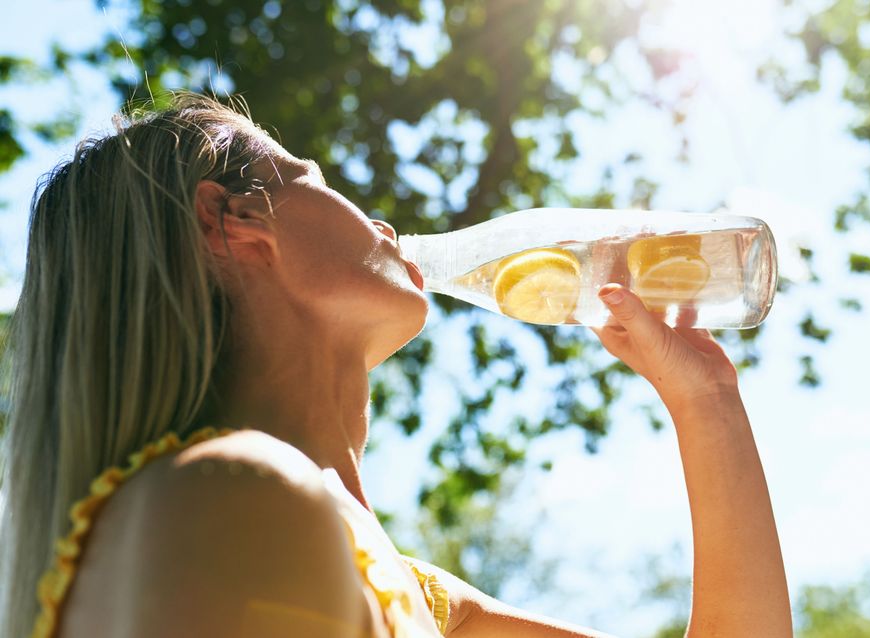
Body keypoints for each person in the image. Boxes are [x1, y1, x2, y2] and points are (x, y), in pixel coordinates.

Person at [0, 94, 791, 637]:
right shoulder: (237, 501)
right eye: (312, 179)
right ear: (231, 219)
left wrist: (707, 401)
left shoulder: (407, 591)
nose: (376, 218)